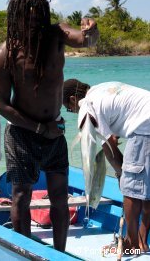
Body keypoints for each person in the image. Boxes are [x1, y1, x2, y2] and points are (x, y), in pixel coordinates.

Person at [0, 0, 99, 252]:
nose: (32, 25)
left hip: (55, 133)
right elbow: (2, 106)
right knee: (20, 196)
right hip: (22, 135)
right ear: (14, 18)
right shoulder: (3, 56)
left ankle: (59, 254)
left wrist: (91, 32)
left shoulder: (56, 35)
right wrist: (41, 127)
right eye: (26, 19)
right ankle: (25, 253)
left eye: (37, 19)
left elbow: (87, 41)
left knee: (60, 198)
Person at [63, 79, 150, 254]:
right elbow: (116, 130)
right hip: (145, 120)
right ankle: (142, 239)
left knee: (131, 188)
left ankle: (133, 243)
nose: (72, 111)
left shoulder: (86, 105)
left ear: (73, 99)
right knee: (145, 186)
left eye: (68, 108)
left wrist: (121, 175)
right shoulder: (101, 89)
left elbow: (109, 148)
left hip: (144, 128)